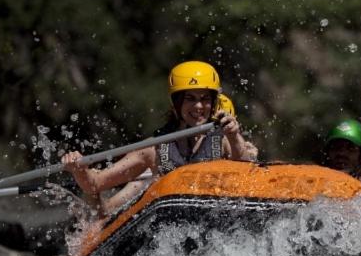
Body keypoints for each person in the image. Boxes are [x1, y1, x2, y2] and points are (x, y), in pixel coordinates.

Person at [61, 61, 258, 212]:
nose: (199, 106)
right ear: (176, 103)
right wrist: (80, 170)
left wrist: (234, 136)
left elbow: (247, 174)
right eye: (190, 98)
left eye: (205, 99)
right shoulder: (153, 148)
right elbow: (96, 183)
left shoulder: (223, 138)